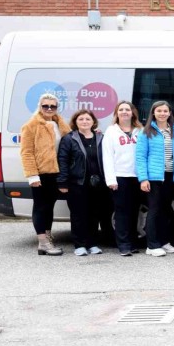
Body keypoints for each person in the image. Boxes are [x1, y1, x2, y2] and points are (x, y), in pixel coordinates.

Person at [20, 93, 70, 256]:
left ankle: (47, 238)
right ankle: (42, 242)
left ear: (57, 108)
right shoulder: (31, 125)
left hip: (56, 173)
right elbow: (26, 153)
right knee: (41, 207)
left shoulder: (60, 123)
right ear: (39, 107)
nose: (49, 109)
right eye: (45, 106)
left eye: (53, 106)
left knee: (49, 207)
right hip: (40, 174)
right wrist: (32, 176)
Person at [58, 110, 109, 256]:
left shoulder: (101, 137)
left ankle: (92, 243)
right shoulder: (69, 139)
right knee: (78, 215)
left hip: (98, 184)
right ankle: (79, 245)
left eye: (88, 119)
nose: (85, 121)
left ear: (93, 122)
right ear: (76, 122)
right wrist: (62, 182)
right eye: (81, 119)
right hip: (77, 183)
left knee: (94, 215)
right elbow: (63, 160)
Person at [136, 100, 174, 257]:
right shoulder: (146, 132)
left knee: (165, 210)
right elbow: (140, 157)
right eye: (159, 111)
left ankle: (164, 242)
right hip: (154, 177)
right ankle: (152, 245)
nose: (162, 113)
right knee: (154, 209)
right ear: (153, 113)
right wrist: (143, 179)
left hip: (170, 176)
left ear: (169, 113)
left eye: (165, 111)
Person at [103, 101, 143, 256]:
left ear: (133, 113)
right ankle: (123, 244)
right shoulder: (111, 131)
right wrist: (111, 180)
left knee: (134, 211)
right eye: (121, 110)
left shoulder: (140, 131)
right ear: (116, 113)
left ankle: (133, 242)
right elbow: (107, 156)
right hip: (120, 177)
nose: (125, 112)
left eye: (128, 109)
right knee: (121, 212)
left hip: (137, 177)